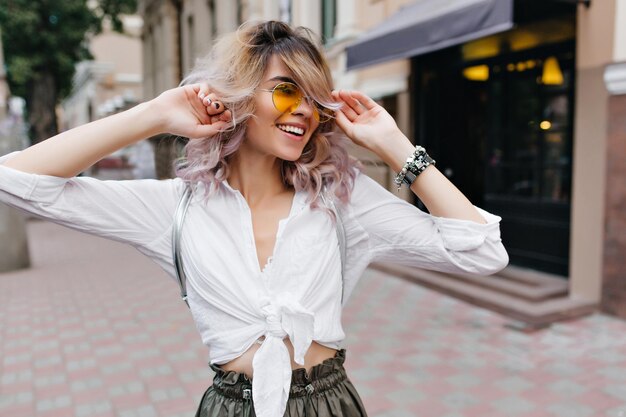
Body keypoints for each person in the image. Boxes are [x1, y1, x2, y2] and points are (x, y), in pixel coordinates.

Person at [0, 20, 508, 417]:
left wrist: (396, 147)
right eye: (287, 91)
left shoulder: (344, 201)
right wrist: (152, 115)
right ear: (242, 97)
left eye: (316, 100)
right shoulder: (174, 208)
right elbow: (16, 182)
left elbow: (483, 251)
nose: (304, 111)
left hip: (328, 404)